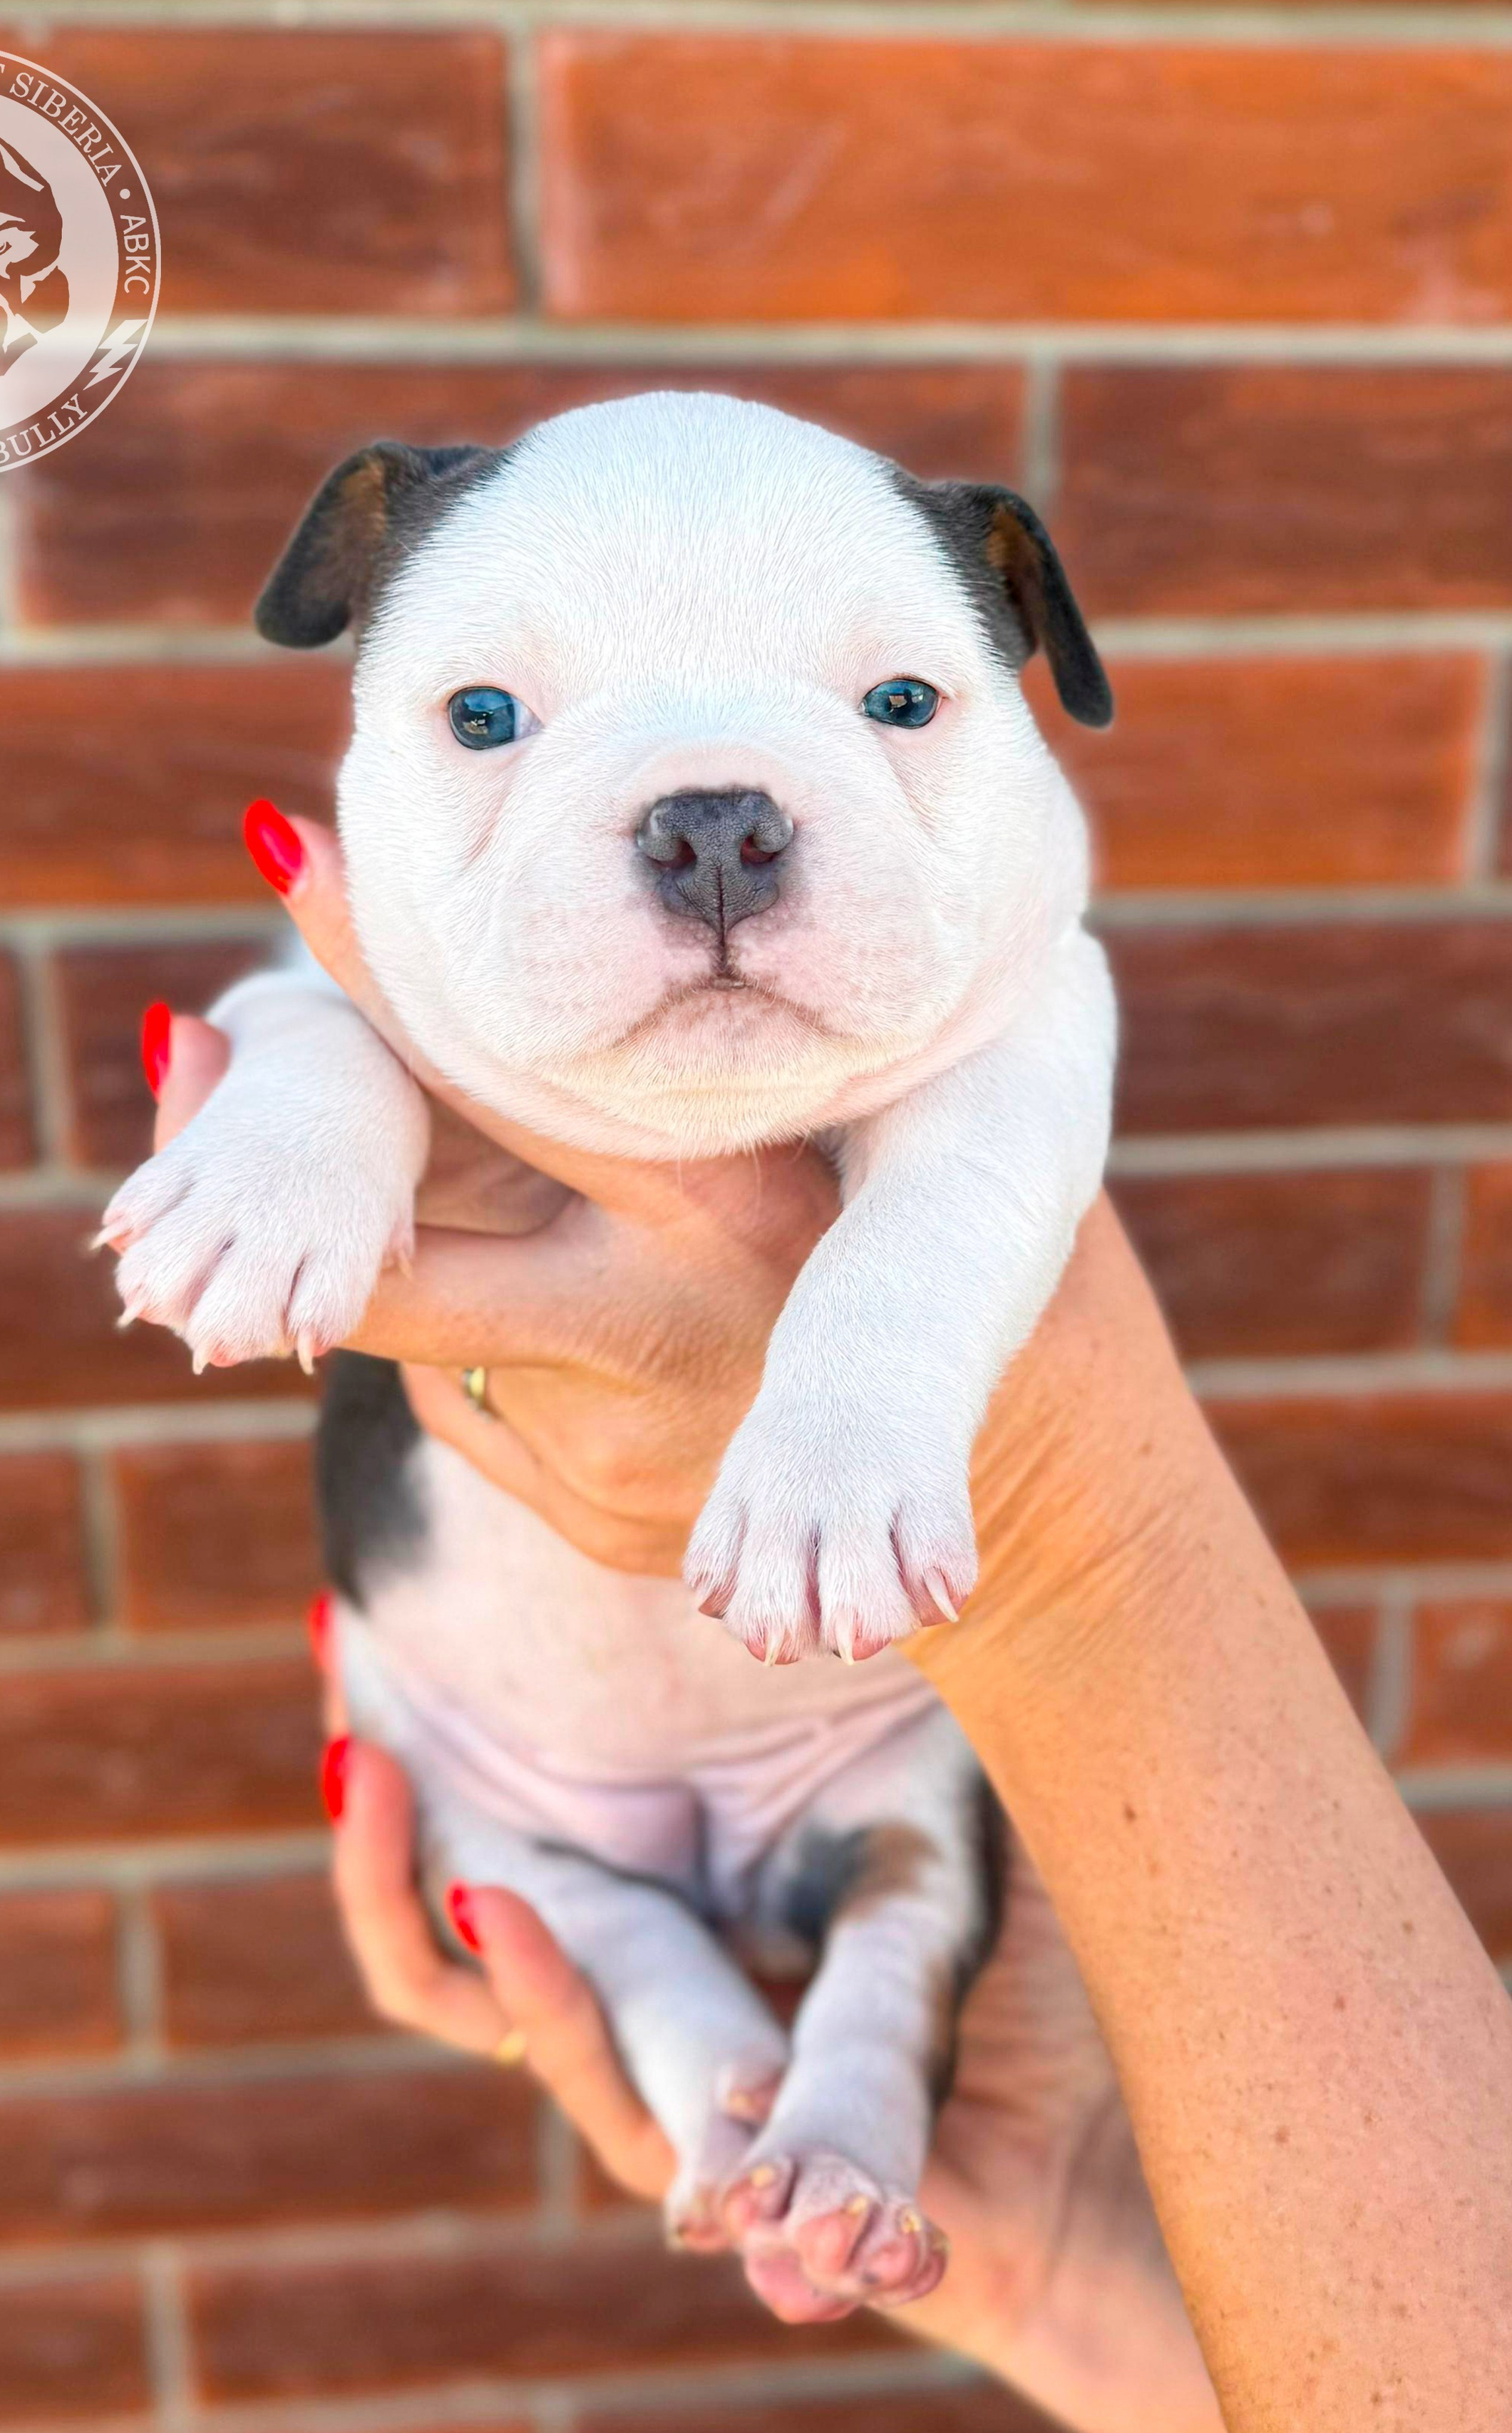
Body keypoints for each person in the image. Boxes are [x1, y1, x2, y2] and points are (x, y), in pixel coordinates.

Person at [147, 811, 1512, 2433]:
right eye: (495, 716)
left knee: (890, 1890)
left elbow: (1007, 1085)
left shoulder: (965, 981)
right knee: (542, 1890)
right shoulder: (450, 907)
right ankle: (726, 2073)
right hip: (497, 1742)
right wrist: (312, 1121)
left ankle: (830, 2100)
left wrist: (1038, 1507)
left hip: (847, 1732)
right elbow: (302, 1012)